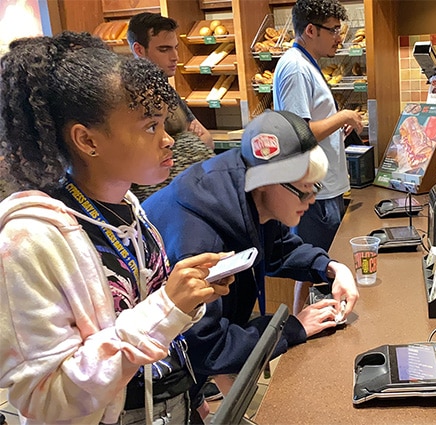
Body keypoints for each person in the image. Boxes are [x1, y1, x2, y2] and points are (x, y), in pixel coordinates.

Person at [0, 32, 232, 424]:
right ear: (87, 140)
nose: (168, 140)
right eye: (149, 127)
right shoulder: (28, 242)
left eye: (164, 124)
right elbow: (45, 399)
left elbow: (153, 333)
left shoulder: (128, 209)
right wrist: (166, 307)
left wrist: (188, 389)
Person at [142, 109, 360, 416]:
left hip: (185, 372)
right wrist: (292, 328)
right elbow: (208, 346)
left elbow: (276, 249)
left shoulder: (246, 192)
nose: (310, 201)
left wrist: (332, 268)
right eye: (303, 192)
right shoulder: (199, 243)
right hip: (152, 383)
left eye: (315, 189)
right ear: (264, 183)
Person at [273, 0, 364, 252]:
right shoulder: (296, 68)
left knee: (315, 268)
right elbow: (298, 132)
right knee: (316, 267)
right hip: (314, 191)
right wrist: (343, 116)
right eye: (333, 30)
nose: (339, 38)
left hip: (323, 188)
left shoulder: (306, 63)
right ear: (311, 30)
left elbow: (311, 122)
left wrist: (335, 127)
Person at [127, 12, 214, 151]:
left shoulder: (166, 89)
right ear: (139, 50)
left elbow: (208, 139)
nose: (175, 57)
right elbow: (150, 156)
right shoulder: (129, 97)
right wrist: (189, 139)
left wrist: (185, 142)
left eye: (175, 48)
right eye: (164, 49)